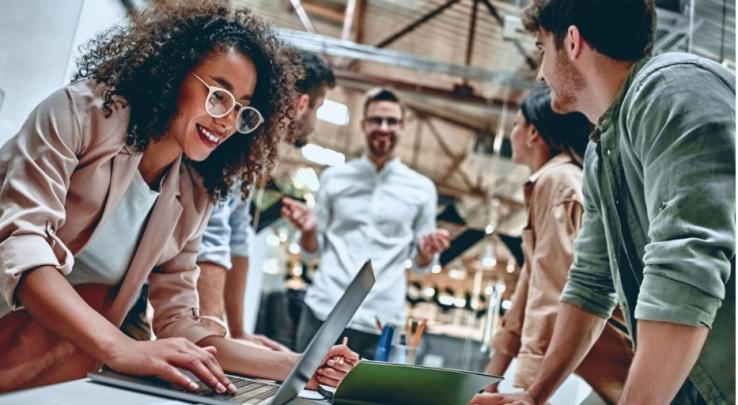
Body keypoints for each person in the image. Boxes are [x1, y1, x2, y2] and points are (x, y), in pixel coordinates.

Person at [0, 3, 356, 403]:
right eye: (218, 95)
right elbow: (22, 249)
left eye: (242, 109)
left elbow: (181, 322)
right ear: (173, 74)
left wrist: (298, 365)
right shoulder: (79, 114)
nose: (226, 120)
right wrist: (123, 349)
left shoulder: (192, 193)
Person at [473, 1, 734, 404]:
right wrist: (533, 396)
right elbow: (591, 284)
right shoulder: (601, 150)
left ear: (572, 42)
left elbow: (686, 269)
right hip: (689, 380)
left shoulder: (674, 90)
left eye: (543, 49)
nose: (541, 73)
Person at [482, 85, 633, 403]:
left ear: (533, 133)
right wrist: (491, 377)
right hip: (587, 365)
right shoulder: (554, 181)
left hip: (593, 363)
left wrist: (528, 386)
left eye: (514, 125)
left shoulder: (557, 182)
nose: (511, 133)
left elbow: (553, 289)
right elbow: (529, 286)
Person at [282, 87, 451, 360]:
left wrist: (427, 252)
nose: (383, 127)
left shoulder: (422, 189)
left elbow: (422, 267)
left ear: (403, 127)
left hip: (381, 319)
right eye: (376, 120)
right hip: (325, 308)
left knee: (368, 400)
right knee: (301, 395)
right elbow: (311, 250)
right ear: (363, 124)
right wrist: (310, 231)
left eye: (392, 121)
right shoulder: (334, 178)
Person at [194, 50, 336, 351]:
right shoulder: (236, 138)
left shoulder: (256, 151)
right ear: (301, 104)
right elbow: (213, 236)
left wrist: (238, 332)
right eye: (319, 108)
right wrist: (214, 338)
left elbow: (236, 237)